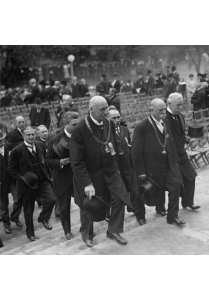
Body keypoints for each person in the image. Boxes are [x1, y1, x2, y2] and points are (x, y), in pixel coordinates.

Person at [70, 96, 130, 247]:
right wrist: (87, 184)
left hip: (110, 171)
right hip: (91, 175)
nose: (106, 112)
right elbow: (77, 162)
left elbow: (114, 146)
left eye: (107, 108)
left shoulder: (109, 123)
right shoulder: (79, 130)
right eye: (102, 109)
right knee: (90, 206)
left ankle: (114, 230)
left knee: (120, 198)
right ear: (91, 109)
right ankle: (87, 234)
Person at [131, 98, 185, 226]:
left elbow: (169, 143)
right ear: (151, 110)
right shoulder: (141, 127)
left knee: (175, 186)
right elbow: (136, 151)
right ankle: (140, 216)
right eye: (160, 110)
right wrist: (141, 172)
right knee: (143, 193)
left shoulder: (165, 123)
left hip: (166, 166)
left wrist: (174, 162)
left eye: (164, 110)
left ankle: (172, 216)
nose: (163, 112)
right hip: (150, 169)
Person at [8, 126, 56, 241]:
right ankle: (30, 233)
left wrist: (49, 176)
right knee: (28, 210)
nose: (31, 137)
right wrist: (23, 178)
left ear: (35, 135)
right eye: (28, 135)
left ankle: (43, 218)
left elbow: (45, 162)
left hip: (42, 180)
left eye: (33, 134)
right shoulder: (17, 151)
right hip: (27, 185)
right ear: (24, 136)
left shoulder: (40, 145)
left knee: (52, 199)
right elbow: (11, 169)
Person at [47, 111, 80, 240]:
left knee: (84, 202)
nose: (78, 126)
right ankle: (67, 231)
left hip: (79, 176)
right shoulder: (55, 140)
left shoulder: (81, 136)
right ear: (66, 124)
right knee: (64, 207)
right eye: (74, 124)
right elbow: (48, 160)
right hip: (62, 178)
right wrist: (60, 162)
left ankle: (86, 227)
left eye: (78, 123)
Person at [166, 93, 200, 210]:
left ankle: (188, 202)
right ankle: (166, 209)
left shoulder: (180, 116)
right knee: (176, 183)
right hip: (170, 157)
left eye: (181, 105)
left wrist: (188, 139)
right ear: (169, 104)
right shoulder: (164, 117)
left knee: (191, 176)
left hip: (181, 153)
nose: (180, 108)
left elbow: (180, 133)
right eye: (178, 105)